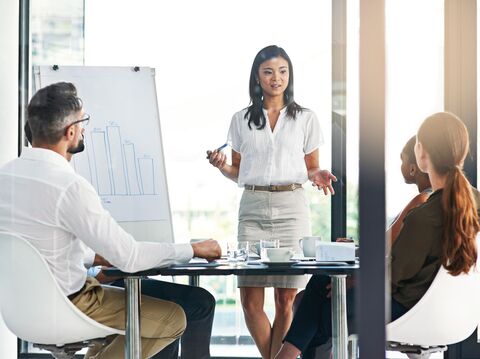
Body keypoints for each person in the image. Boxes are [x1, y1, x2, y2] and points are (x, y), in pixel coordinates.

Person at [0, 82, 222, 359]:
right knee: (173, 318)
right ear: (70, 132)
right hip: (71, 306)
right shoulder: (68, 186)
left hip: (20, 311)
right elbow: (130, 257)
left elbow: (37, 245)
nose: (84, 129)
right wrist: (194, 249)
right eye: (83, 123)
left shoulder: (6, 176)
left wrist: (93, 257)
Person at [275, 112, 480, 358]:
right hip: (458, 313)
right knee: (316, 299)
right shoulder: (472, 202)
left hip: (405, 310)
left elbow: (393, 275)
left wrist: (352, 280)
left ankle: (283, 356)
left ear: (422, 155)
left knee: (316, 295)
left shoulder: (424, 217)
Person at [206, 45, 336, 359]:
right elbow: (238, 171)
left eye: (282, 71)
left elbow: (311, 165)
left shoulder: (305, 118)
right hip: (252, 207)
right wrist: (222, 165)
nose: (276, 78)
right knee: (250, 302)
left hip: (291, 207)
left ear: (289, 76)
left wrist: (317, 174)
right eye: (268, 72)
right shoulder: (241, 119)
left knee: (285, 301)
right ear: (257, 76)